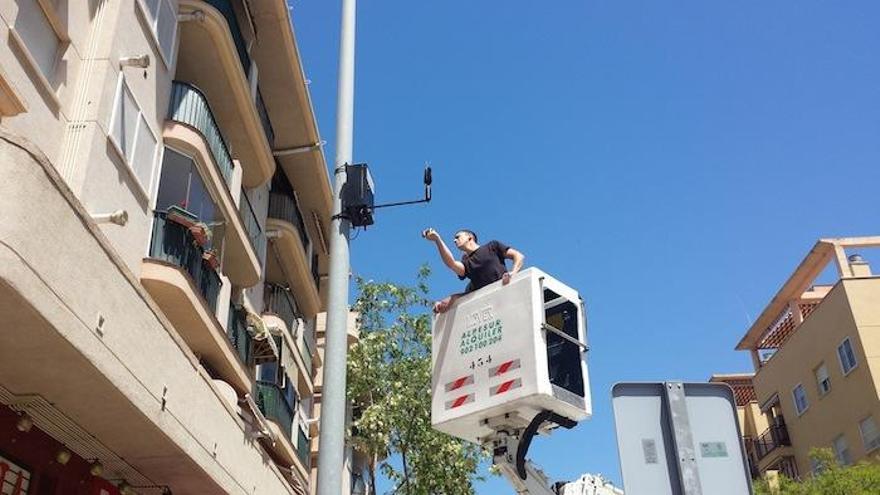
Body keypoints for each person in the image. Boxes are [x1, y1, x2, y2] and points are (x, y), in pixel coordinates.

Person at [423, 228, 525, 313]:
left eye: (457, 237)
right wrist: (437, 240)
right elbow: (452, 264)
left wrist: (513, 273)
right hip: (483, 305)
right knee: (451, 299)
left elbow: (518, 256)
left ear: (469, 237)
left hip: (504, 295)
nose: (454, 241)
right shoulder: (466, 262)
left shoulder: (492, 246)